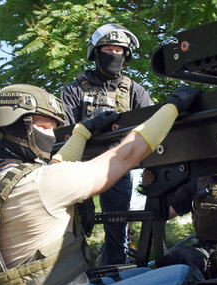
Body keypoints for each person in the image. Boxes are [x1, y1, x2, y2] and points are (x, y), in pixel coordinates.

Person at [0, 83, 201, 285]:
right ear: (15, 124)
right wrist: (173, 106)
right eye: (43, 126)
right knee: (184, 278)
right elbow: (127, 154)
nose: (50, 136)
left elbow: (55, 169)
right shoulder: (40, 183)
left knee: (143, 272)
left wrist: (83, 132)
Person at [60, 23, 153, 265]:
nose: (114, 54)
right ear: (96, 53)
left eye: (119, 50)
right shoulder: (74, 90)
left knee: (117, 221)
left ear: (127, 55)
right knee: (75, 223)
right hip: (80, 168)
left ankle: (115, 267)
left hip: (118, 166)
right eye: (108, 49)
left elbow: (152, 128)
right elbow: (64, 133)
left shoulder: (134, 90)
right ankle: (77, 270)